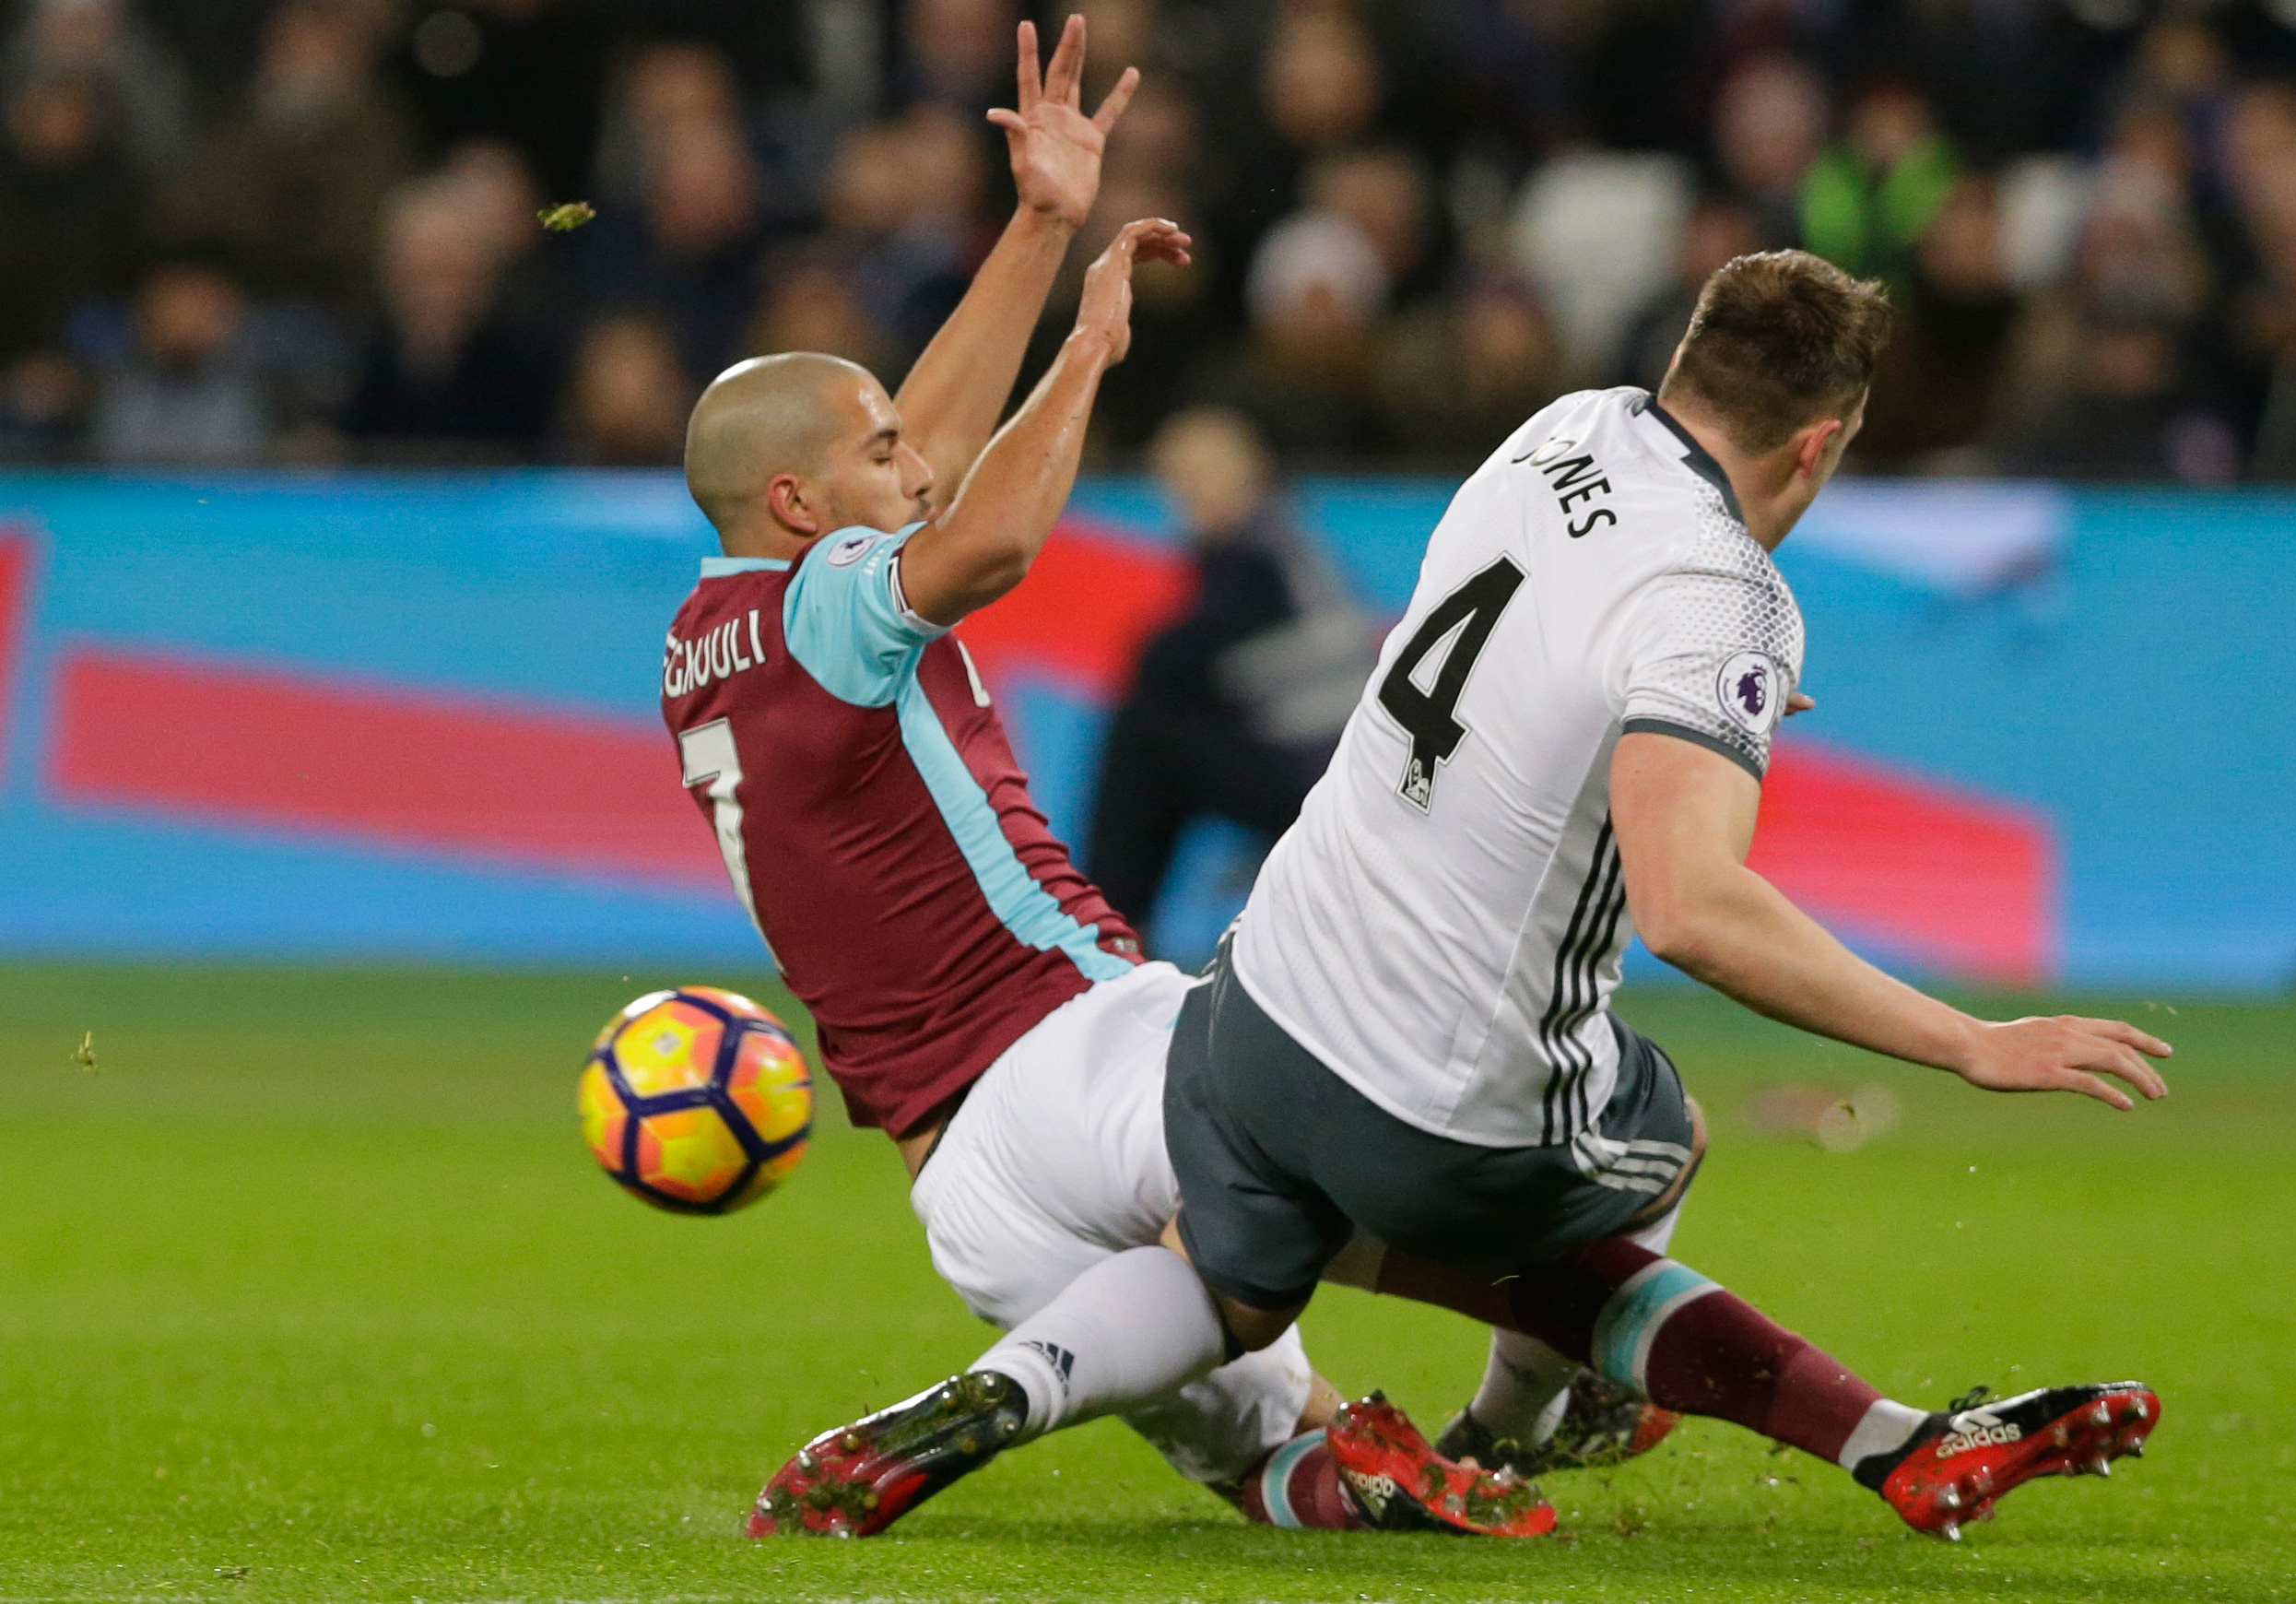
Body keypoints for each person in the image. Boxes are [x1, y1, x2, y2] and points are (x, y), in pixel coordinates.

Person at [1133, 249, 2175, 1539]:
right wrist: (1971, 1041)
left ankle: (1817, 1433)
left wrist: (1672, 714)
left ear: (1683, 366)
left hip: (1251, 1013)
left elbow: (1539, 635)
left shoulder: (1565, 426)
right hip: (1424, 1106)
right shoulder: (1725, 596)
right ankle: (1516, 1433)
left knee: (1299, 1255)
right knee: (1657, 1131)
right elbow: (1693, 910)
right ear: (1817, 445)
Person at [657, 19, 1537, 1541]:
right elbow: (980, 536)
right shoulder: (829, 602)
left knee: (1300, 1465)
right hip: (1083, 1049)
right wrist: (1085, 349)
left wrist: (1040, 224)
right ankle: (1610, 1349)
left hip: (967, 1195)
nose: (913, 461)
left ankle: (977, 1409)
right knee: (1446, 1196)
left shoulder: (715, 624)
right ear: (801, 504)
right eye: (873, 455)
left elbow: (909, 448)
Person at [1085, 406, 1373, 935]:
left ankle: (1108, 931)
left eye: (1202, 475)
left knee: (1146, 737)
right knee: (1157, 728)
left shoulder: (1259, 557)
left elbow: (1173, 658)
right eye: (1180, 482)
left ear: (1250, 471)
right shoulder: (1286, 541)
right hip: (1321, 761)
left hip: (1322, 771)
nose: (1190, 496)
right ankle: (1112, 926)